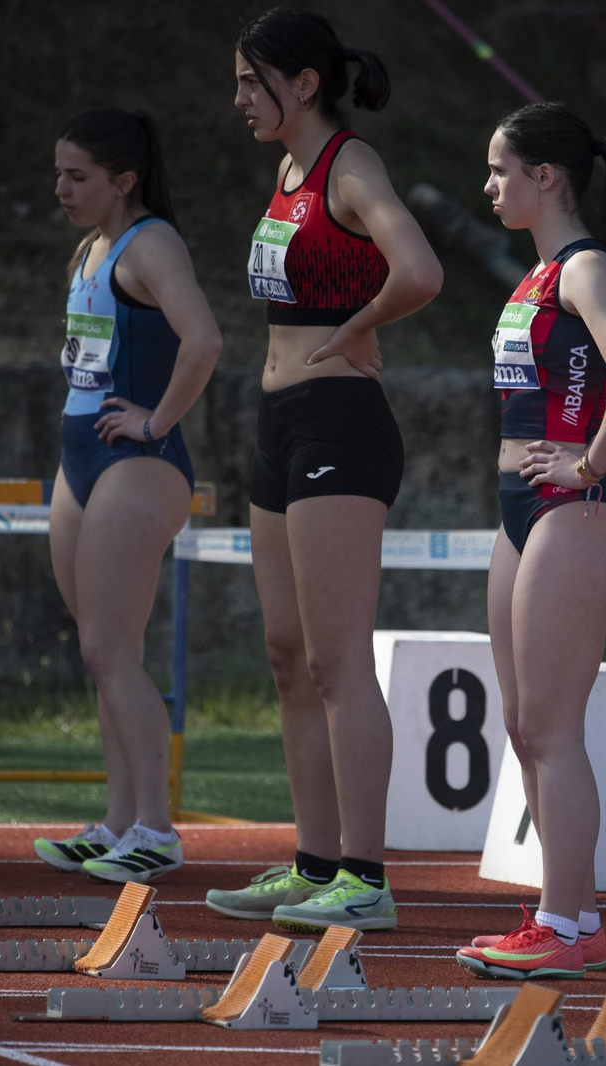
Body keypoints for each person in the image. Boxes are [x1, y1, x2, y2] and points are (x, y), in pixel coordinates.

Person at [202, 8, 441, 932]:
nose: (237, 98)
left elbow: (419, 269)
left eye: (250, 82)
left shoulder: (351, 163)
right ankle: (313, 861)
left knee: (340, 659)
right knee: (288, 656)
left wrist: (358, 329)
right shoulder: (287, 171)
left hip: (339, 417)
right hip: (279, 419)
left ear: (304, 83)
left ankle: (365, 878)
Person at [453, 102, 606, 981]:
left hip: (573, 511)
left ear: (548, 177)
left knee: (548, 723)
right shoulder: (535, 276)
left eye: (501, 170)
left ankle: (570, 925)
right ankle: (562, 913)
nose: (489, 185)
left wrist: (589, 465)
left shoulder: (584, 268)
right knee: (523, 723)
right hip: (523, 509)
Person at [33, 109, 223, 884]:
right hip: (82, 457)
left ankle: (156, 828)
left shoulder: (154, 245)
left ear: (124, 180)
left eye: (78, 177)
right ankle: (116, 821)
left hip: (137, 464)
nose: (62, 190)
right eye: (58, 174)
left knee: (111, 650)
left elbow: (205, 338)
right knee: (102, 651)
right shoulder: (91, 247)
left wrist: (157, 418)